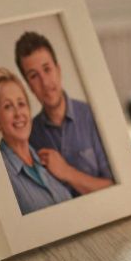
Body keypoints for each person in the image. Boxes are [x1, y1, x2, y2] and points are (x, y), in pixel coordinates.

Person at [15, 31, 114, 196]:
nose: (45, 83)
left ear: (58, 70)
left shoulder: (93, 115)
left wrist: (67, 172)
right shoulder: (29, 135)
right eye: (34, 76)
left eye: (47, 69)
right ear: (28, 85)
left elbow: (117, 189)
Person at [0, 67, 74, 214]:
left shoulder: (50, 161)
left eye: (21, 104)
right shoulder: (0, 175)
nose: (18, 113)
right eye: (8, 106)